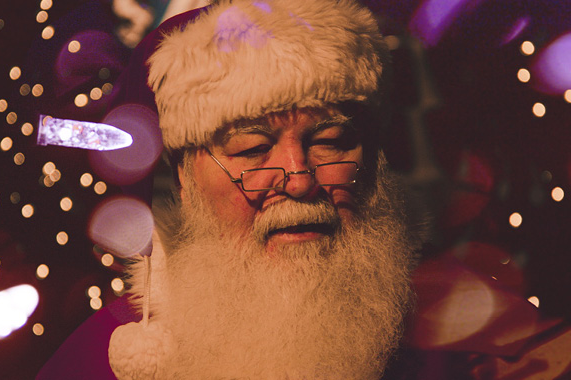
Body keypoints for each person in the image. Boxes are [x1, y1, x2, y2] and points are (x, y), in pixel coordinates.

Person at [40, 0, 425, 378]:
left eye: (330, 141)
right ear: (184, 182)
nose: (299, 179)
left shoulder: (453, 348)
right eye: (253, 149)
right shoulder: (93, 364)